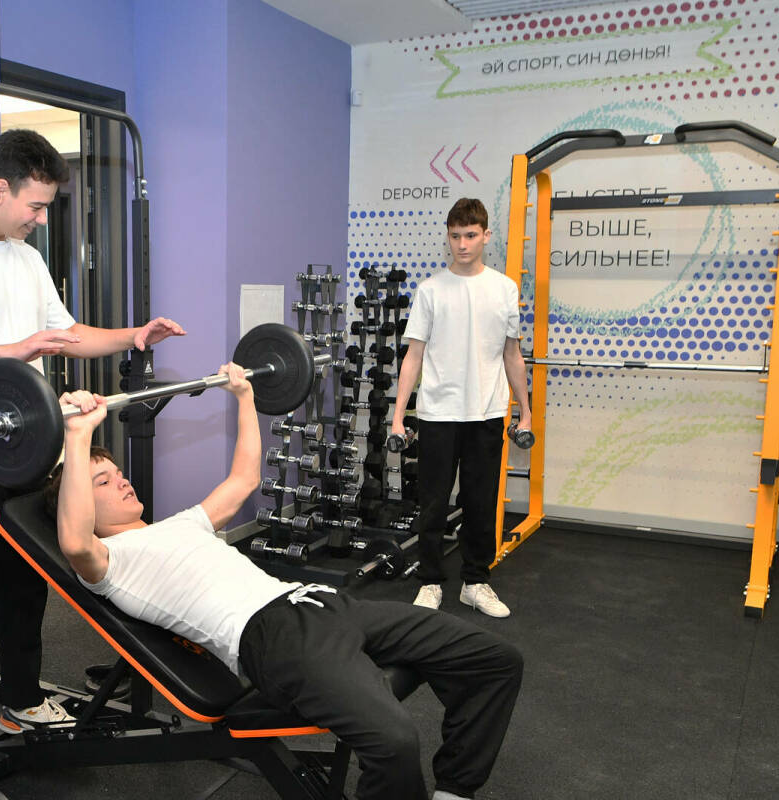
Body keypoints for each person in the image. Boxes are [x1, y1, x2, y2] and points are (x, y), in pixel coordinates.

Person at [51, 366, 524, 800]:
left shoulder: (180, 524)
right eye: (102, 482)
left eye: (117, 473)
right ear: (81, 505)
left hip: (324, 603)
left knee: (495, 661)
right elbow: (73, 541)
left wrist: (244, 397)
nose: (122, 481)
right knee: (393, 741)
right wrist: (77, 436)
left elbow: (244, 479)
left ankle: (454, 790)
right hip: (275, 638)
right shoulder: (110, 563)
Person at [0, 128, 186, 786]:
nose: (41, 219)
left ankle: (19, 703)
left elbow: (64, 335)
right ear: (0, 190)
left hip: (25, 456)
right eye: (36, 206)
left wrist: (133, 335)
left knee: (23, 589)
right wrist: (15, 350)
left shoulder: (26, 258)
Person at [390, 197, 532, 618]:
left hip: (487, 413)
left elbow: (512, 355)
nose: (463, 244)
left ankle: (475, 582)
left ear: (486, 235)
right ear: (448, 238)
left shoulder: (504, 289)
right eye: (456, 236)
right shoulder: (430, 290)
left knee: (480, 503)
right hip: (438, 413)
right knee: (433, 503)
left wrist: (525, 411)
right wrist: (398, 417)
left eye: (471, 235)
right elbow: (413, 357)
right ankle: (431, 581)